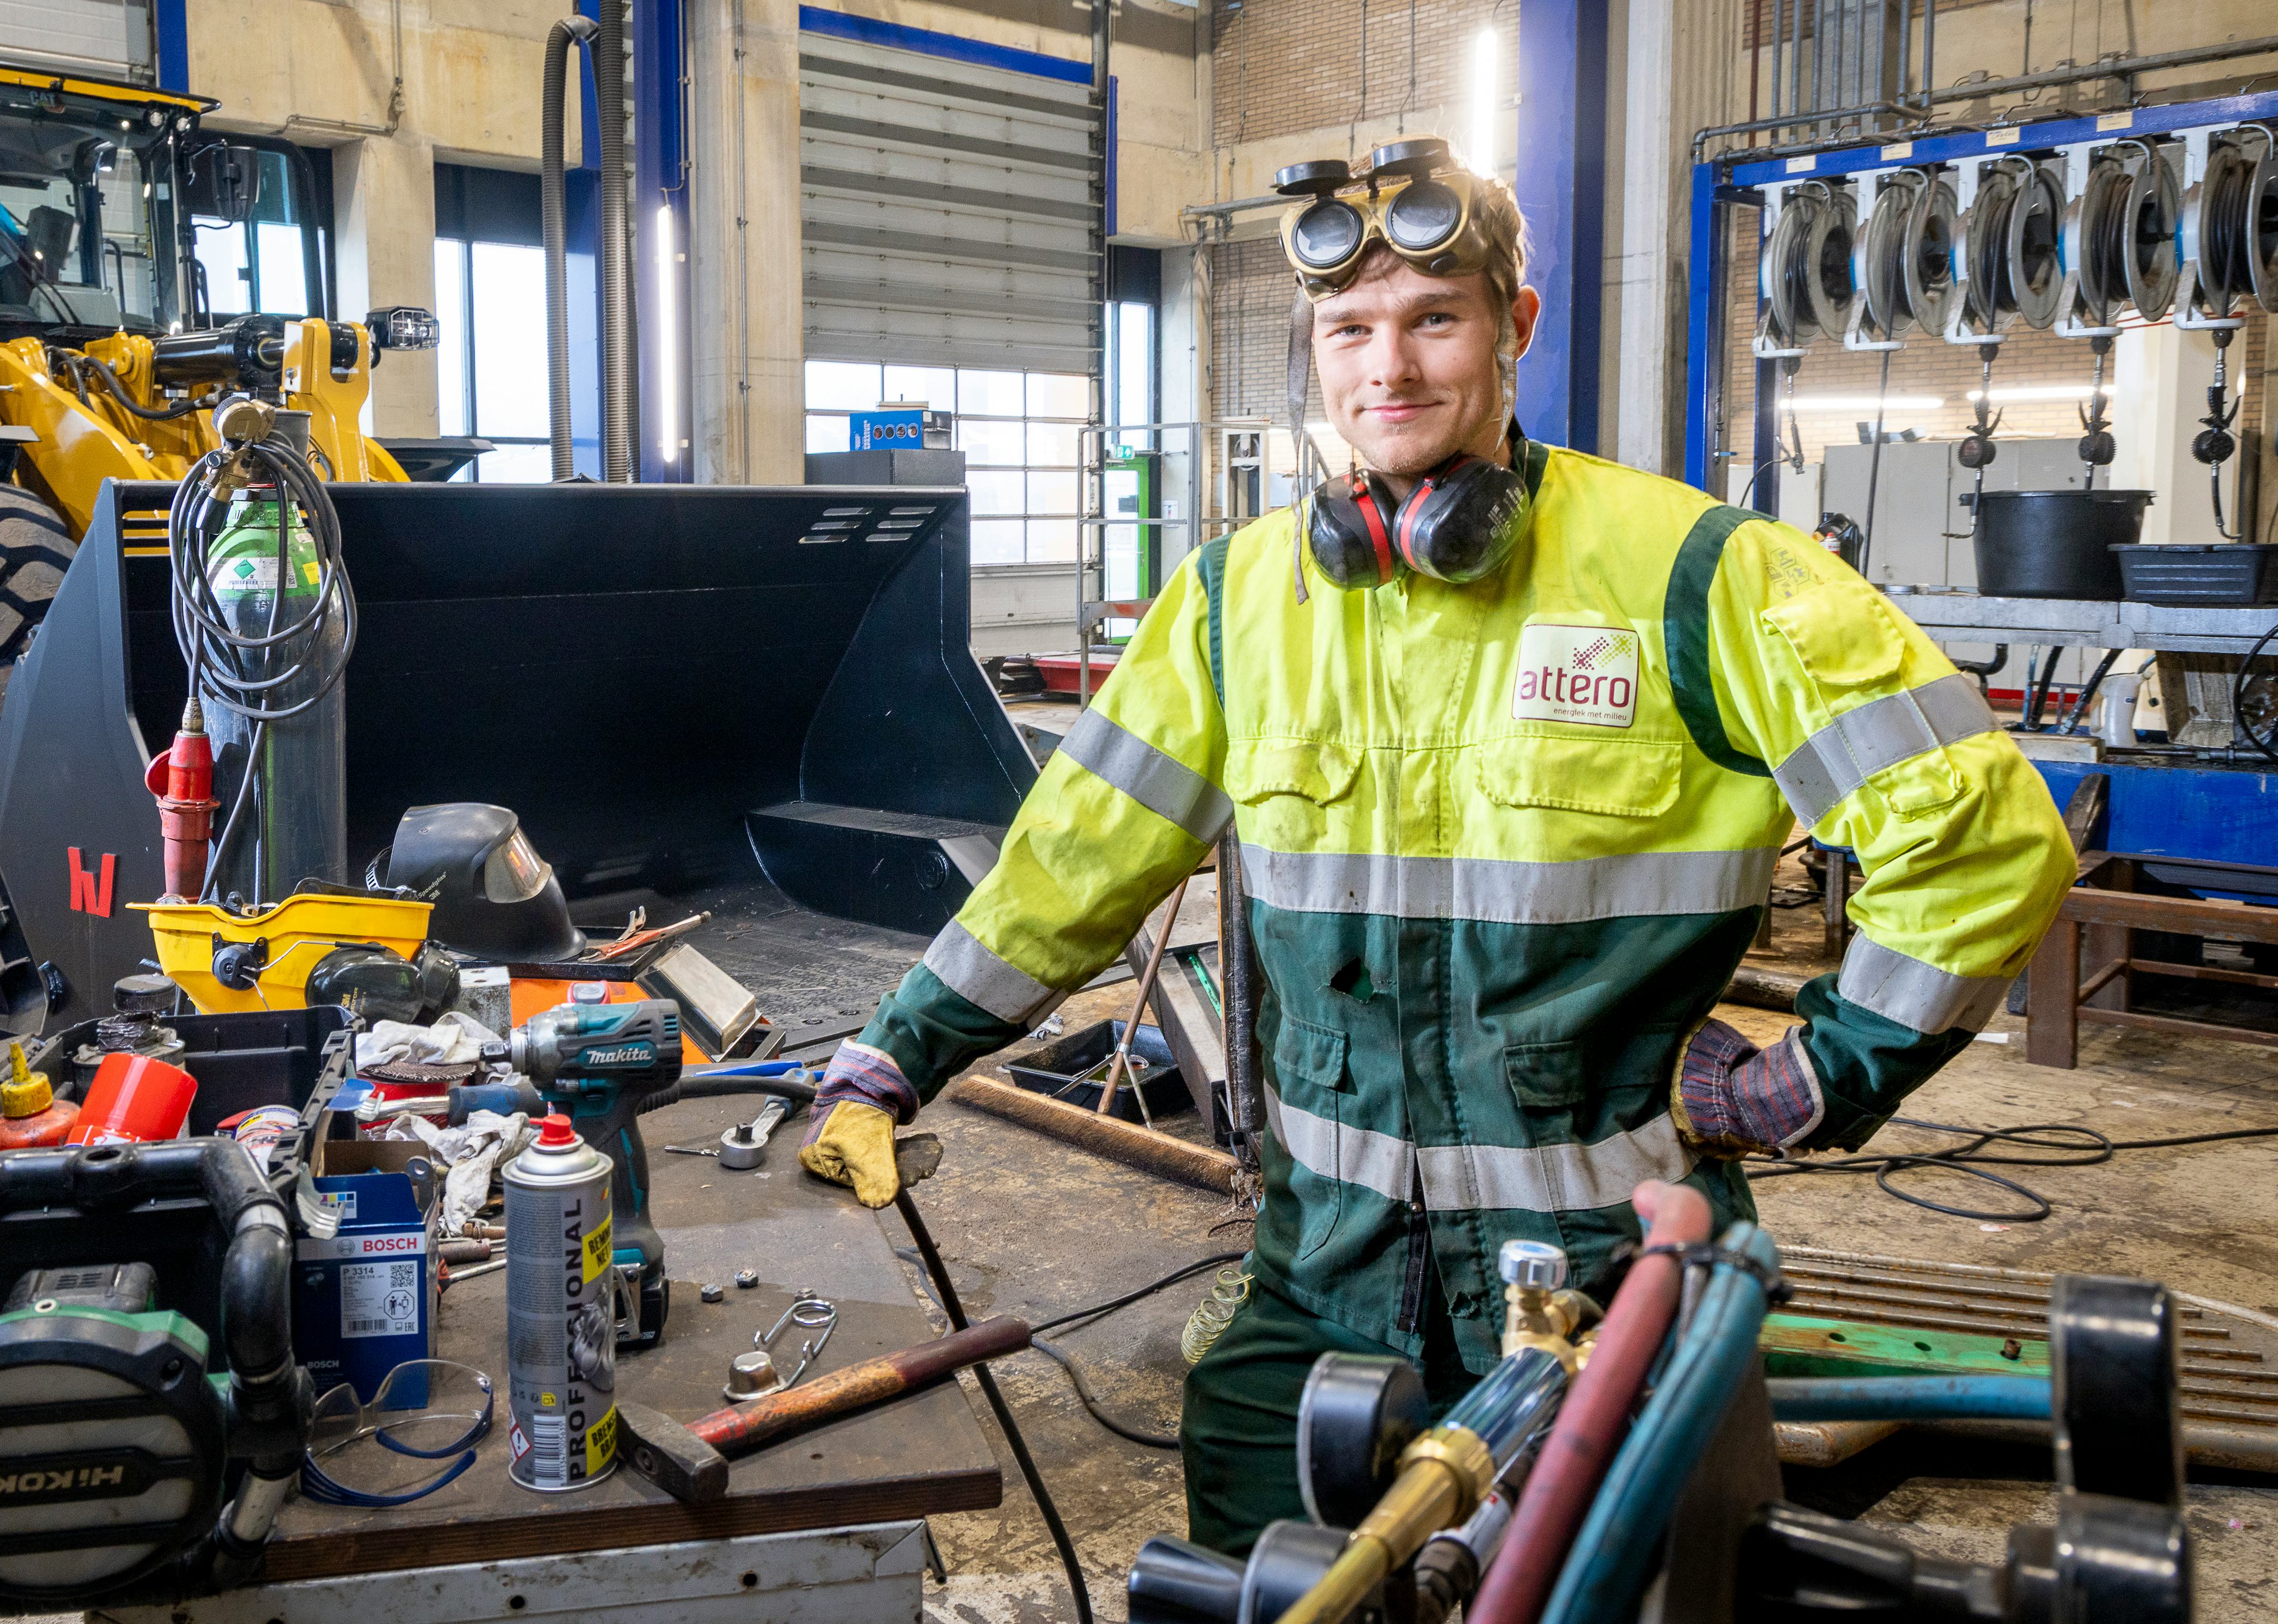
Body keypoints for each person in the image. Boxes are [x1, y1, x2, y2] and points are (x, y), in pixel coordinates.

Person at [798, 141, 2073, 1553]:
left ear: (1514, 327)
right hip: (1318, 1273)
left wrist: (1811, 1078)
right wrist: (892, 1055)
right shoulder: (1238, 602)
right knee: (1241, 1565)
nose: (1387, 368)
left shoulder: (1698, 575)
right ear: (1313, 353)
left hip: (1608, 1281)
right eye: (1349, 330)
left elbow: (1982, 836)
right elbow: (1070, 859)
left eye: (1432, 320)